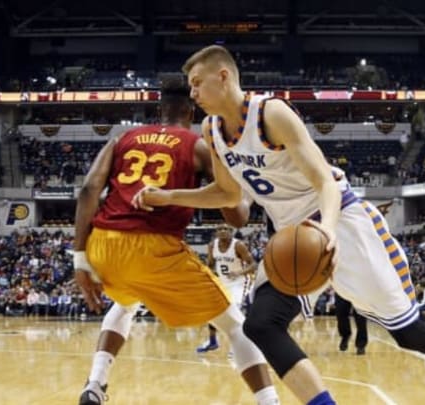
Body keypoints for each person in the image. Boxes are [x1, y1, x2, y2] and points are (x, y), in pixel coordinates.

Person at [134, 45, 425, 405]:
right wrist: (167, 197)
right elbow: (227, 194)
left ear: (224, 77)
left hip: (340, 222)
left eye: (197, 83)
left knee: (408, 333)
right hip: (291, 237)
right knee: (261, 325)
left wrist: (329, 232)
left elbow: (324, 181)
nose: (193, 93)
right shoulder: (212, 133)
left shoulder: (271, 113)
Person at [73, 76, 279, 405]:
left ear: (160, 109)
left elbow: (88, 191)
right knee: (236, 324)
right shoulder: (197, 144)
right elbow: (237, 216)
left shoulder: (122, 137)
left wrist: (80, 260)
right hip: (152, 246)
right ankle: (269, 401)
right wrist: (249, 192)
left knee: (125, 304)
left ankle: (95, 385)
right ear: (191, 112)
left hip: (102, 243)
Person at [197, 224, 257, 353]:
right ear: (216, 232)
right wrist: (207, 271)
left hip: (240, 282)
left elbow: (253, 265)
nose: (223, 231)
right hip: (223, 282)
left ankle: (240, 345)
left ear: (232, 231)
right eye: (220, 229)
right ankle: (212, 342)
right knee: (212, 310)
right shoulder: (212, 245)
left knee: (234, 309)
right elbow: (211, 263)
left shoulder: (238, 245)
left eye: (227, 229)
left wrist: (239, 272)